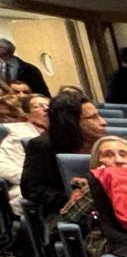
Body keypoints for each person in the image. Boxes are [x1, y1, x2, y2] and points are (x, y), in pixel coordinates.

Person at [22, 90, 106, 219]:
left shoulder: (107, 143)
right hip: (64, 211)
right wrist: (72, 197)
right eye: (92, 117)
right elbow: (31, 189)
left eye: (98, 115)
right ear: (71, 121)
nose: (103, 122)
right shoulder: (42, 145)